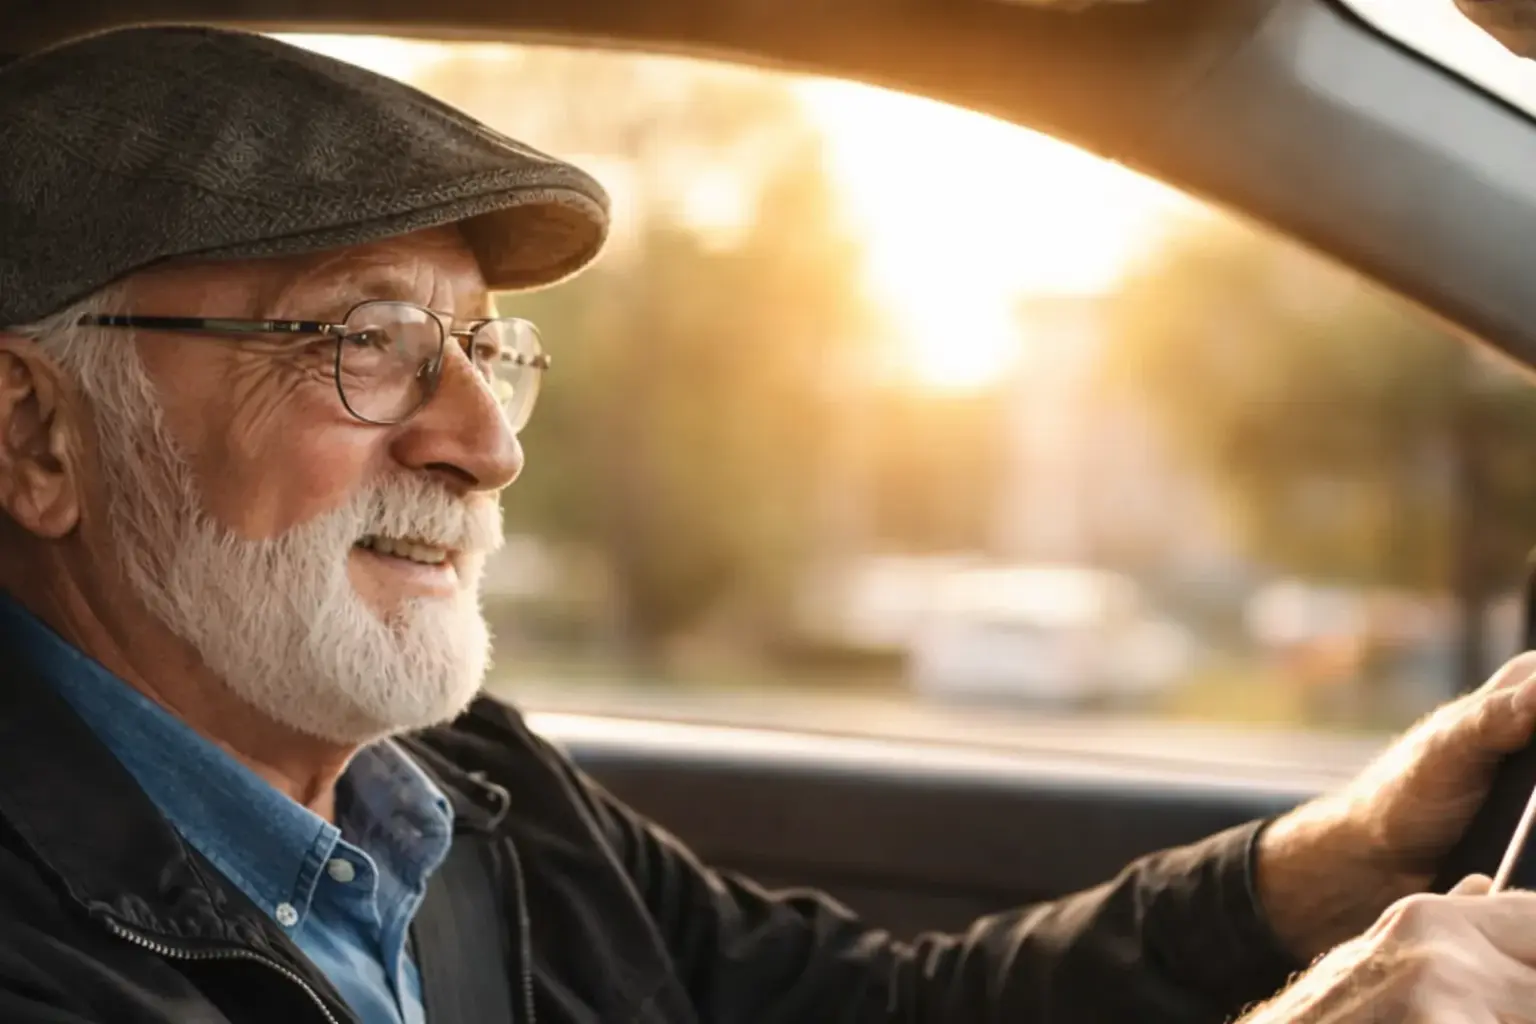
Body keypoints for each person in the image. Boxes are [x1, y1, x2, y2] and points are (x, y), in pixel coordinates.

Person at [0, 23, 1533, 1024]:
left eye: (485, 350)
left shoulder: (471, 793)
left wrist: (1332, 862)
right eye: (360, 340)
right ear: (37, 436)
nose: (480, 444)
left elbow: (867, 1010)